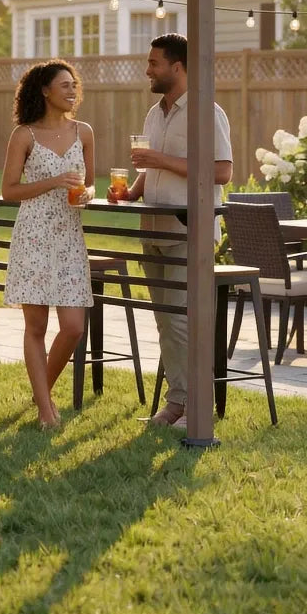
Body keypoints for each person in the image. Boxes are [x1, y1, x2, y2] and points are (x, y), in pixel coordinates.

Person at [108, 33, 233, 428]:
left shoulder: (206, 112)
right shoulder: (153, 113)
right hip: (154, 229)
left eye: (154, 63)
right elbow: (150, 167)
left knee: (182, 318)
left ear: (177, 67)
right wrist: (131, 192)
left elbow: (221, 171)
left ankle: (192, 406)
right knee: (165, 320)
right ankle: (178, 402)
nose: (148, 69)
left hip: (188, 231)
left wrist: (159, 158)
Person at [0, 60, 94, 428]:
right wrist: (53, 181)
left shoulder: (84, 131)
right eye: (64, 85)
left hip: (70, 235)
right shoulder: (24, 135)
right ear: (44, 91)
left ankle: (42, 394)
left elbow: (89, 184)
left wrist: (85, 194)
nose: (72, 91)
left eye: (74, 85)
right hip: (33, 235)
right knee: (36, 327)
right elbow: (9, 191)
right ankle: (44, 411)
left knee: (72, 327)